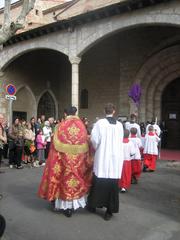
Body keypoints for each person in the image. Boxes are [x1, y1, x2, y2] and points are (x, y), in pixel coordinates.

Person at [38, 106, 92, 217]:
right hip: (77, 161)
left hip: (64, 160)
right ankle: (72, 206)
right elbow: (87, 143)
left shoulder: (60, 126)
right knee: (74, 182)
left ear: (65, 114)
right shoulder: (82, 126)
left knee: (63, 180)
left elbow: (54, 145)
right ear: (75, 113)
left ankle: (63, 206)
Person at [87, 103, 124, 221]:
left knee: (98, 181)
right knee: (112, 184)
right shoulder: (119, 125)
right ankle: (109, 210)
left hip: (103, 156)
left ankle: (93, 206)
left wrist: (98, 147)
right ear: (114, 111)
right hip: (115, 158)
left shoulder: (100, 123)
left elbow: (94, 140)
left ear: (104, 111)